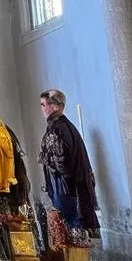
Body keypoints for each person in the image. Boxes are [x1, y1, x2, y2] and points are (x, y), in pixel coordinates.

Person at [38, 88, 100, 244]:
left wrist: (47, 160)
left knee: (69, 227)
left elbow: (60, 159)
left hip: (65, 187)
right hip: (69, 185)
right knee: (72, 228)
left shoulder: (57, 128)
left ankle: (75, 259)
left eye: (45, 104)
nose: (43, 109)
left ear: (57, 106)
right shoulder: (65, 126)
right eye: (42, 105)